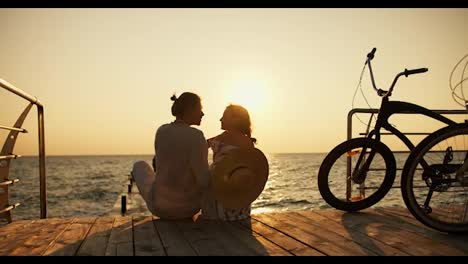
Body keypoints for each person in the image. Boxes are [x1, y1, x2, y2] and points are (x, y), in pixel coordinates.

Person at [132, 92, 210, 219]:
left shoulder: (161, 131)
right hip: (189, 208)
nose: (202, 113)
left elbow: (164, 162)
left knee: (139, 165)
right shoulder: (197, 136)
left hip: (160, 207)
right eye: (200, 109)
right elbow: (204, 181)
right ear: (190, 109)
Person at [200, 104, 268, 221]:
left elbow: (200, 146)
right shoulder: (247, 141)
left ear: (236, 120)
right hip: (239, 197)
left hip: (220, 191)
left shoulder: (220, 138)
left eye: (224, 116)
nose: (220, 119)